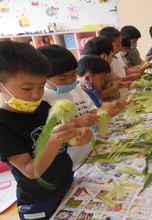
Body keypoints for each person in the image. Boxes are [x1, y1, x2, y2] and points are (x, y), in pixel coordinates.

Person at [0, 41, 92, 219]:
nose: (36, 95)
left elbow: (64, 137)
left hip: (67, 181)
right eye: (27, 88)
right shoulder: (3, 125)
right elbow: (30, 170)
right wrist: (53, 141)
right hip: (38, 199)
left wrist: (79, 131)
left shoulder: (42, 107)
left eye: (41, 86)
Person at [38, 44, 99, 171]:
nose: (70, 81)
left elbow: (93, 109)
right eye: (62, 78)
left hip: (88, 151)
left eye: (73, 75)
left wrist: (102, 112)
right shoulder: (42, 98)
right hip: (71, 159)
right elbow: (48, 133)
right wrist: (77, 122)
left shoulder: (76, 88)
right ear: (43, 77)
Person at [84, 36, 130, 101]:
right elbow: (97, 95)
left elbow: (108, 84)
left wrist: (118, 84)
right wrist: (114, 88)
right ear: (104, 56)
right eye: (111, 54)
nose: (112, 57)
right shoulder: (97, 73)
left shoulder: (106, 68)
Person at [99, 27, 141, 98]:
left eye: (121, 44)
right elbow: (112, 82)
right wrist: (129, 77)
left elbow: (124, 71)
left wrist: (136, 70)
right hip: (114, 98)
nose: (121, 47)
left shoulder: (117, 56)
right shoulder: (107, 60)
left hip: (122, 94)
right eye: (118, 45)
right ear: (108, 44)